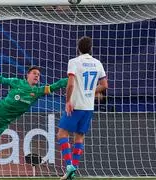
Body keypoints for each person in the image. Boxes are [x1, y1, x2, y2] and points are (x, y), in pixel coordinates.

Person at [57, 36, 108, 180]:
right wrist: (91, 92)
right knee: (79, 137)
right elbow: (104, 85)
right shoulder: (97, 63)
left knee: (62, 134)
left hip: (76, 105)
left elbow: (71, 84)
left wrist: (68, 101)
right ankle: (72, 171)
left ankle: (69, 166)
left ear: (78, 48)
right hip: (88, 106)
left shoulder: (74, 62)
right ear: (90, 48)